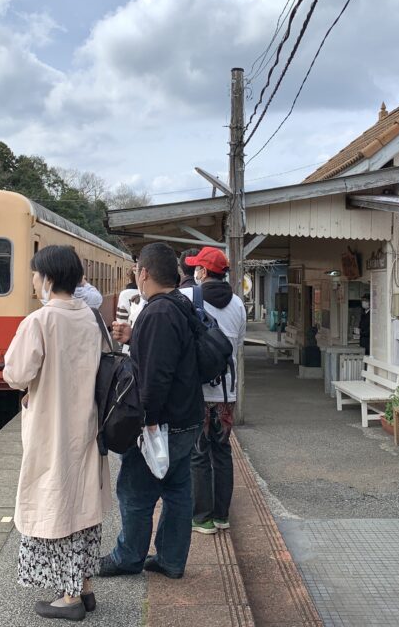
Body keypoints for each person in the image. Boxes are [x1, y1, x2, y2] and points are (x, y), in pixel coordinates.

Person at [3, 245, 110, 622]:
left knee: (56, 503)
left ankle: (69, 598)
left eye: (35, 274)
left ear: (48, 278)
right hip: (87, 424)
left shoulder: (40, 321)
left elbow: (16, 374)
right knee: (82, 502)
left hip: (52, 426)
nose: (33, 281)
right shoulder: (91, 317)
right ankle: (84, 586)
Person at [100, 243, 203, 580]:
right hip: (187, 417)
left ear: (143, 273)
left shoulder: (158, 313)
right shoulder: (180, 304)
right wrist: (134, 337)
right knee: (176, 490)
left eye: (135, 272)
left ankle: (128, 557)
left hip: (164, 422)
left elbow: (156, 376)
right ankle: (171, 560)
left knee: (135, 490)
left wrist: (148, 422)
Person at [178, 246, 246, 535]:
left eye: (197, 267)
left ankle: (202, 518)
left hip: (199, 390)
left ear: (203, 272)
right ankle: (222, 516)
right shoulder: (239, 305)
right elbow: (238, 345)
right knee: (222, 451)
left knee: (198, 452)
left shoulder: (188, 298)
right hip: (226, 393)